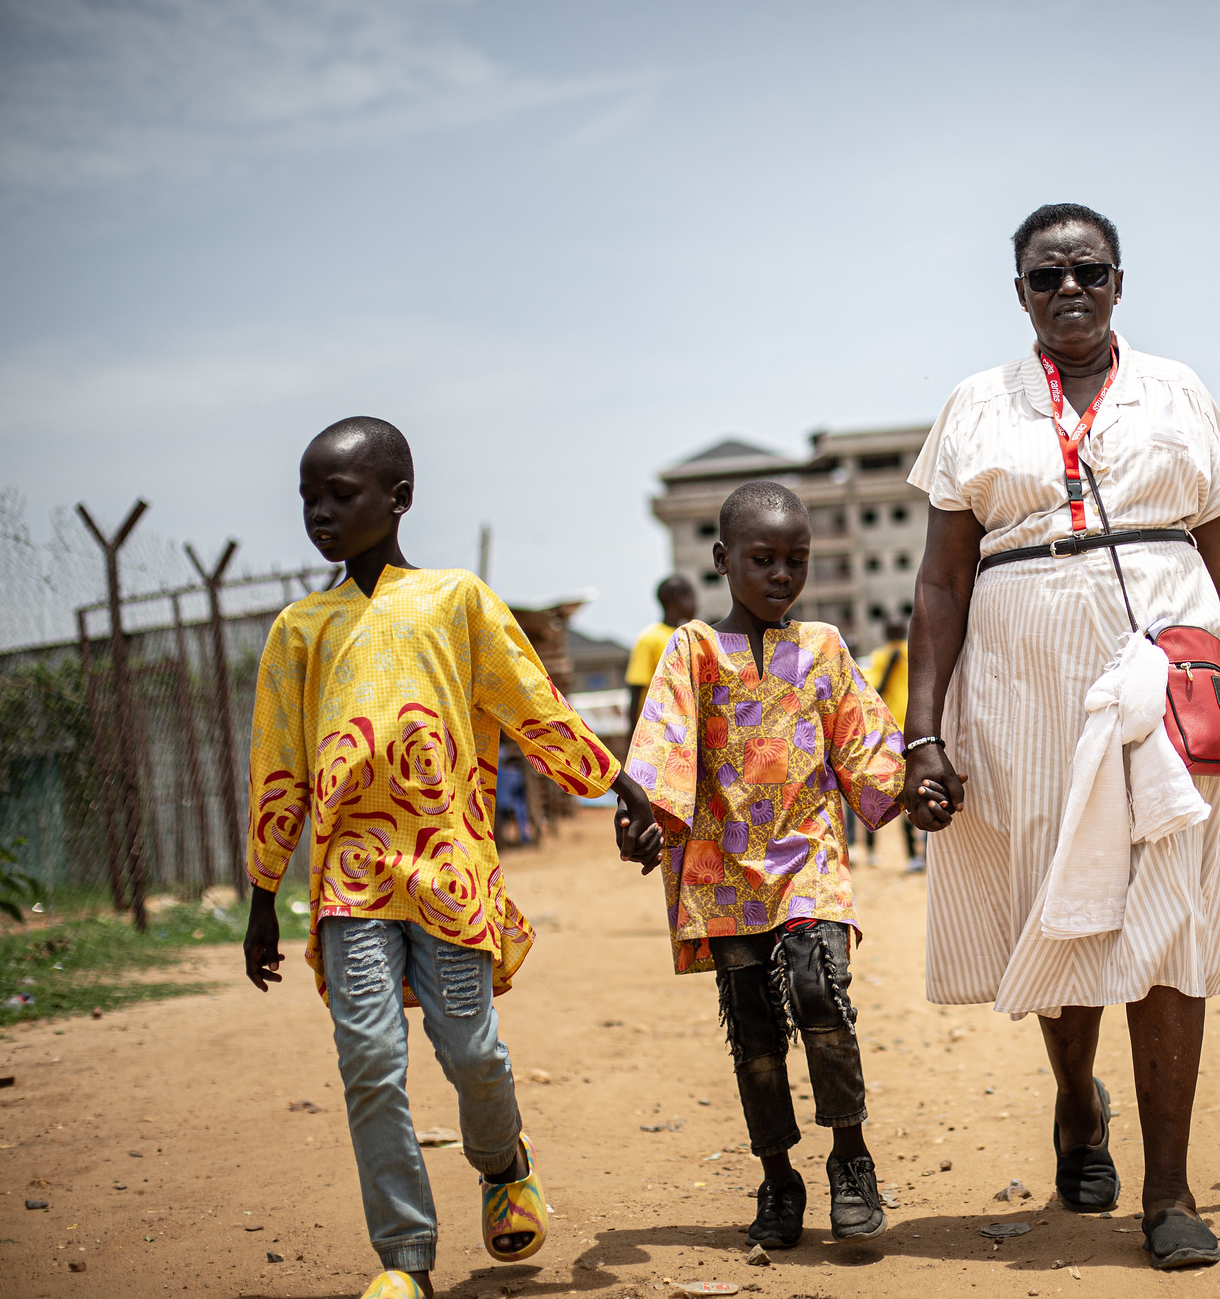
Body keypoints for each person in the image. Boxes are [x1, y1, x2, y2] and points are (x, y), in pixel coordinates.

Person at [901, 203, 1220, 1271]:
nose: (1068, 291)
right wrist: (921, 736)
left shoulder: (1176, 390)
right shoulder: (973, 406)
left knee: (1168, 914)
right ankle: (1074, 1103)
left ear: (1119, 281)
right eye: (1046, 278)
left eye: (1086, 271)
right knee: (1062, 908)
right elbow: (941, 580)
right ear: (1019, 295)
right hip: (1021, 690)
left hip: (1167, 676)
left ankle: (1169, 1189)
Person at [241, 417, 658, 1299]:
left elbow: (527, 697)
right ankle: (404, 1258)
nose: (319, 512)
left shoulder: (454, 600)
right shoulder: (298, 629)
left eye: (340, 495)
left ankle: (503, 1163)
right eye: (308, 497)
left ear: (398, 499)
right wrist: (260, 899)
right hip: (350, 878)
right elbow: (278, 764)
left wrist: (613, 779)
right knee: (368, 1063)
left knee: (471, 1053)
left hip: (448, 871)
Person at [619, 480, 906, 1248]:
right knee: (753, 1029)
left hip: (807, 851)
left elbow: (866, 742)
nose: (782, 573)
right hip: (724, 866)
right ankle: (778, 1174)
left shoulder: (823, 647)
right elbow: (664, 747)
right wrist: (644, 818)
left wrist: (913, 787)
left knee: (820, 988)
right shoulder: (693, 649)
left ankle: (851, 1157)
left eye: (796, 558)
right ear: (722, 559)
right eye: (763, 557)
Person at [862, 618, 924, 871]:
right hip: (914, 728)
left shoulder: (883, 656)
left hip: (896, 734)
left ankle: (914, 856)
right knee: (922, 789)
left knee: (904, 792)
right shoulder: (906, 653)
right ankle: (921, 855)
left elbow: (875, 689)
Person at [627, 574, 698, 732]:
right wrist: (632, 738)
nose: (696, 604)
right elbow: (636, 690)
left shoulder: (689, 637)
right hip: (656, 730)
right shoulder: (649, 639)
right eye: (691, 597)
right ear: (677, 600)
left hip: (685, 729)